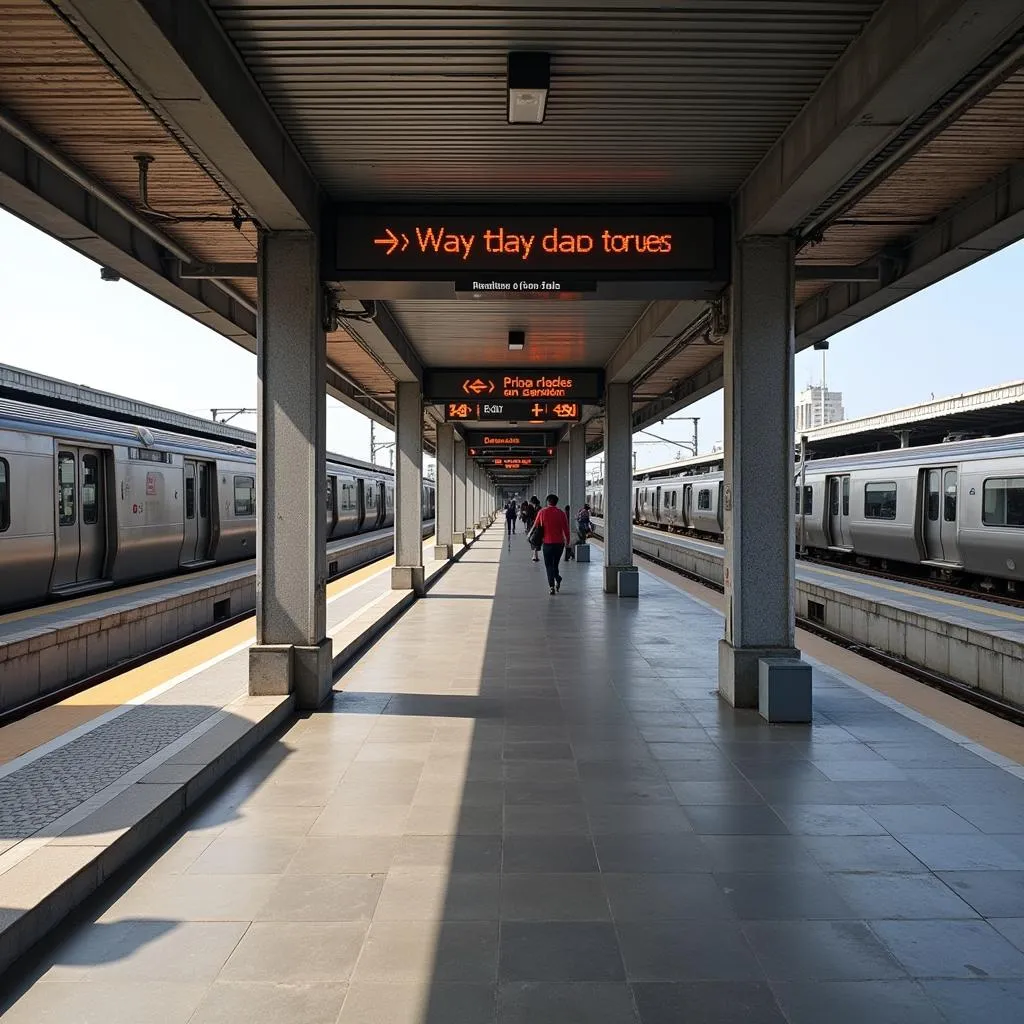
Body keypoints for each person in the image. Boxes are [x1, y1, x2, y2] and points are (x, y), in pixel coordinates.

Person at [532, 494, 571, 594]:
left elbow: (536, 525)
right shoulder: (561, 513)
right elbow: (566, 529)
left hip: (547, 543)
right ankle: (557, 578)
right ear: (556, 502)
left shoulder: (542, 512)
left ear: (547, 502)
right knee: (555, 565)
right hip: (559, 544)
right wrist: (568, 541)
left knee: (549, 565)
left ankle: (552, 586)